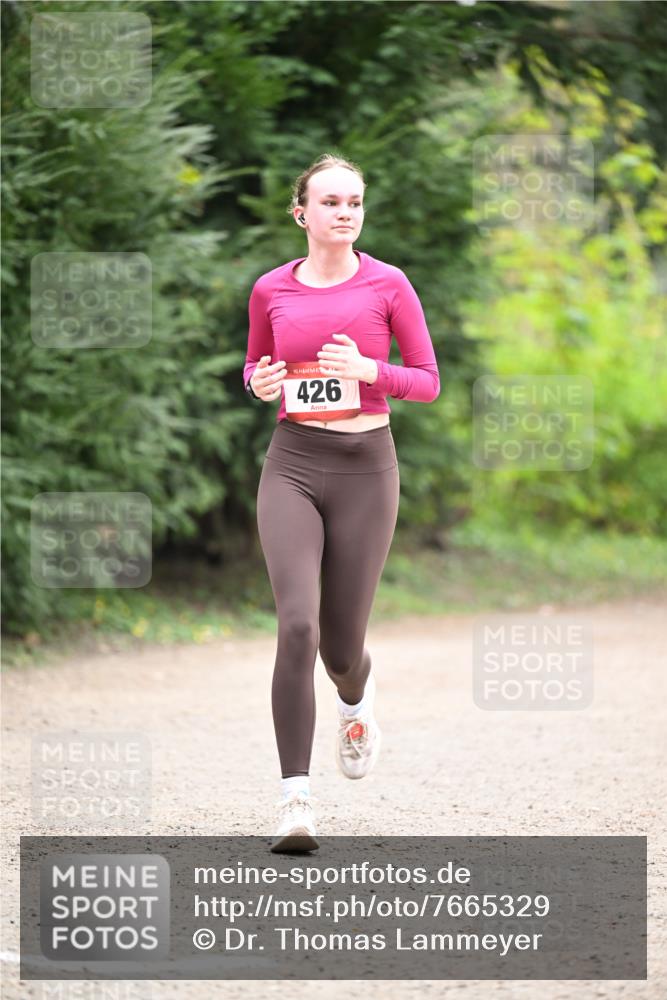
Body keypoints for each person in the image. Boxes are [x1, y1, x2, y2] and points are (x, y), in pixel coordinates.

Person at [243, 153, 440, 853]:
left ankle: (356, 703)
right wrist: (260, 382)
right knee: (296, 626)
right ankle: (295, 802)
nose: (344, 212)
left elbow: (426, 381)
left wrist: (367, 371)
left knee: (340, 645)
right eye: (330, 202)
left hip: (366, 470)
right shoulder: (270, 289)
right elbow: (256, 365)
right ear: (302, 213)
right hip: (293, 464)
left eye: (353, 201)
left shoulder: (387, 284)